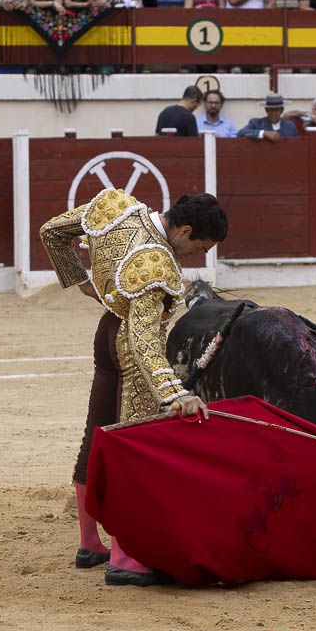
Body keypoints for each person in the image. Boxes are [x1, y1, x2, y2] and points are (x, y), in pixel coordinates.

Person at [39, 191, 228, 586]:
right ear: (184, 230)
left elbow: (52, 232)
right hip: (130, 352)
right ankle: (124, 559)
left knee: (97, 433)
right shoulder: (155, 264)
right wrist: (176, 394)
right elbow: (144, 342)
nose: (196, 256)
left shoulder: (117, 205)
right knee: (131, 451)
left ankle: (90, 543)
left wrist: (80, 281)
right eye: (198, 247)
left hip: (106, 331)